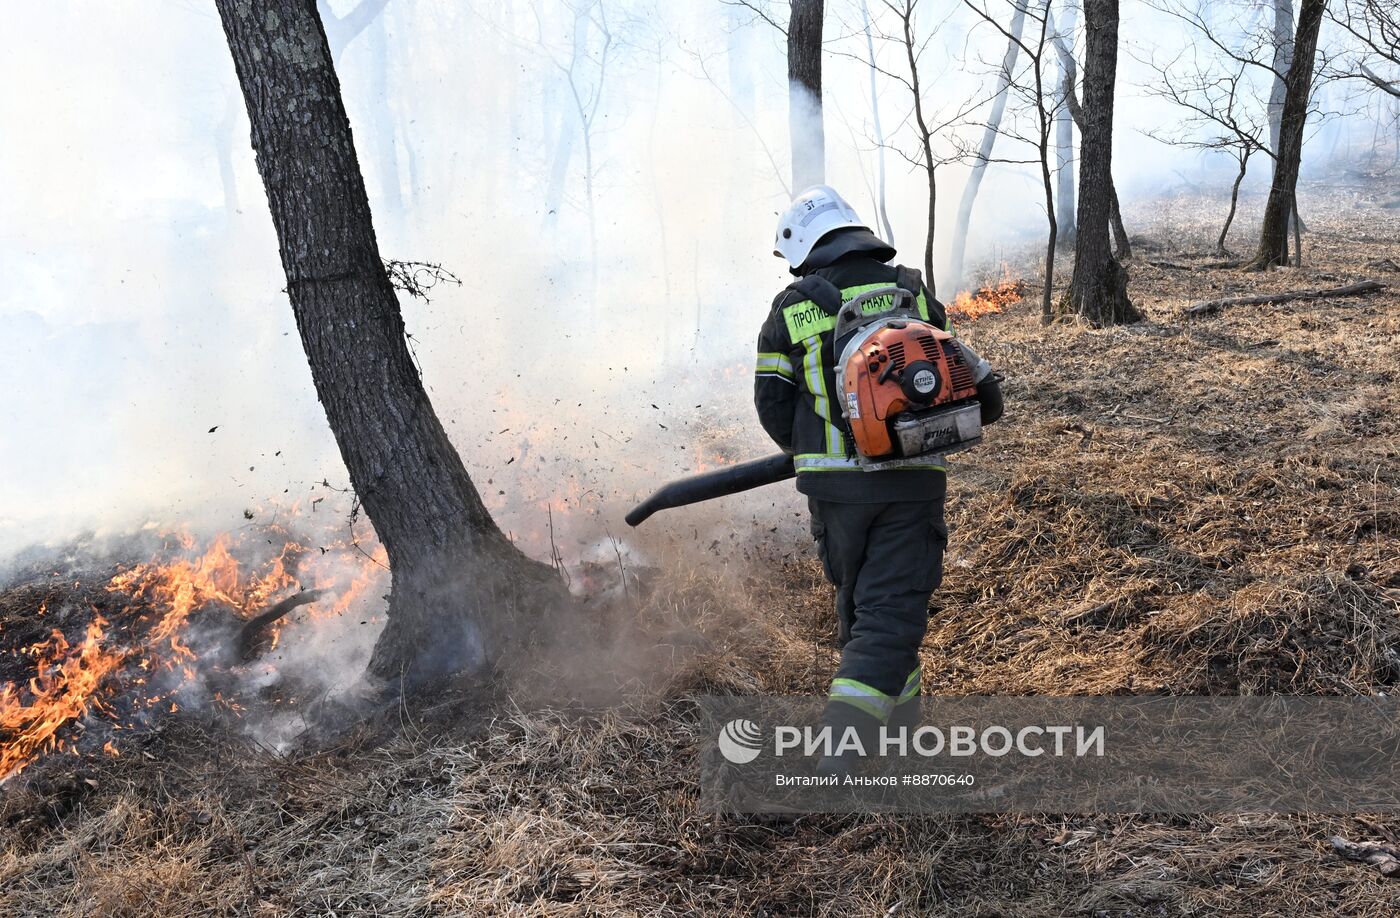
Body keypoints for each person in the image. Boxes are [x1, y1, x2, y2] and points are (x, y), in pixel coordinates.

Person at [753, 185, 1000, 772]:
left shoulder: (791, 308)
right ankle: (839, 759)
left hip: (832, 490)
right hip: (911, 478)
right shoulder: (912, 291)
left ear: (805, 248)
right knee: (889, 616)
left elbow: (771, 405)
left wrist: (813, 450)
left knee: (867, 613)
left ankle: (897, 741)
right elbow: (959, 380)